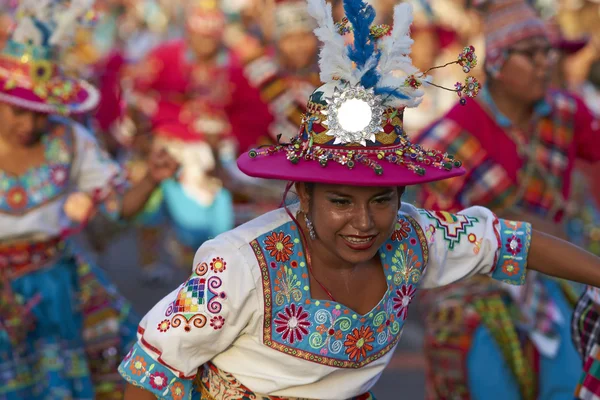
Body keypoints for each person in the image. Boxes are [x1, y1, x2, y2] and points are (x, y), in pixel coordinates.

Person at [117, 0, 600, 398]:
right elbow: (149, 369)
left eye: (383, 200)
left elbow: (508, 241)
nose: (365, 222)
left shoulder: (414, 237)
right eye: (341, 202)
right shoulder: (238, 266)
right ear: (303, 194)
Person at [412, 0, 600, 398]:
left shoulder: (566, 112)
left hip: (554, 270)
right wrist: (503, 225)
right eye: (530, 53)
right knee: (482, 364)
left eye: (548, 51)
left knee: (575, 360)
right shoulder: (453, 134)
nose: (544, 63)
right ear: (496, 62)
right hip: (479, 274)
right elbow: (432, 225)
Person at [0, 2, 179, 398]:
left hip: (57, 285)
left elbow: (119, 209)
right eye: (17, 111)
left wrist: (152, 177)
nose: (29, 124)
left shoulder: (69, 140)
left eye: (41, 113)